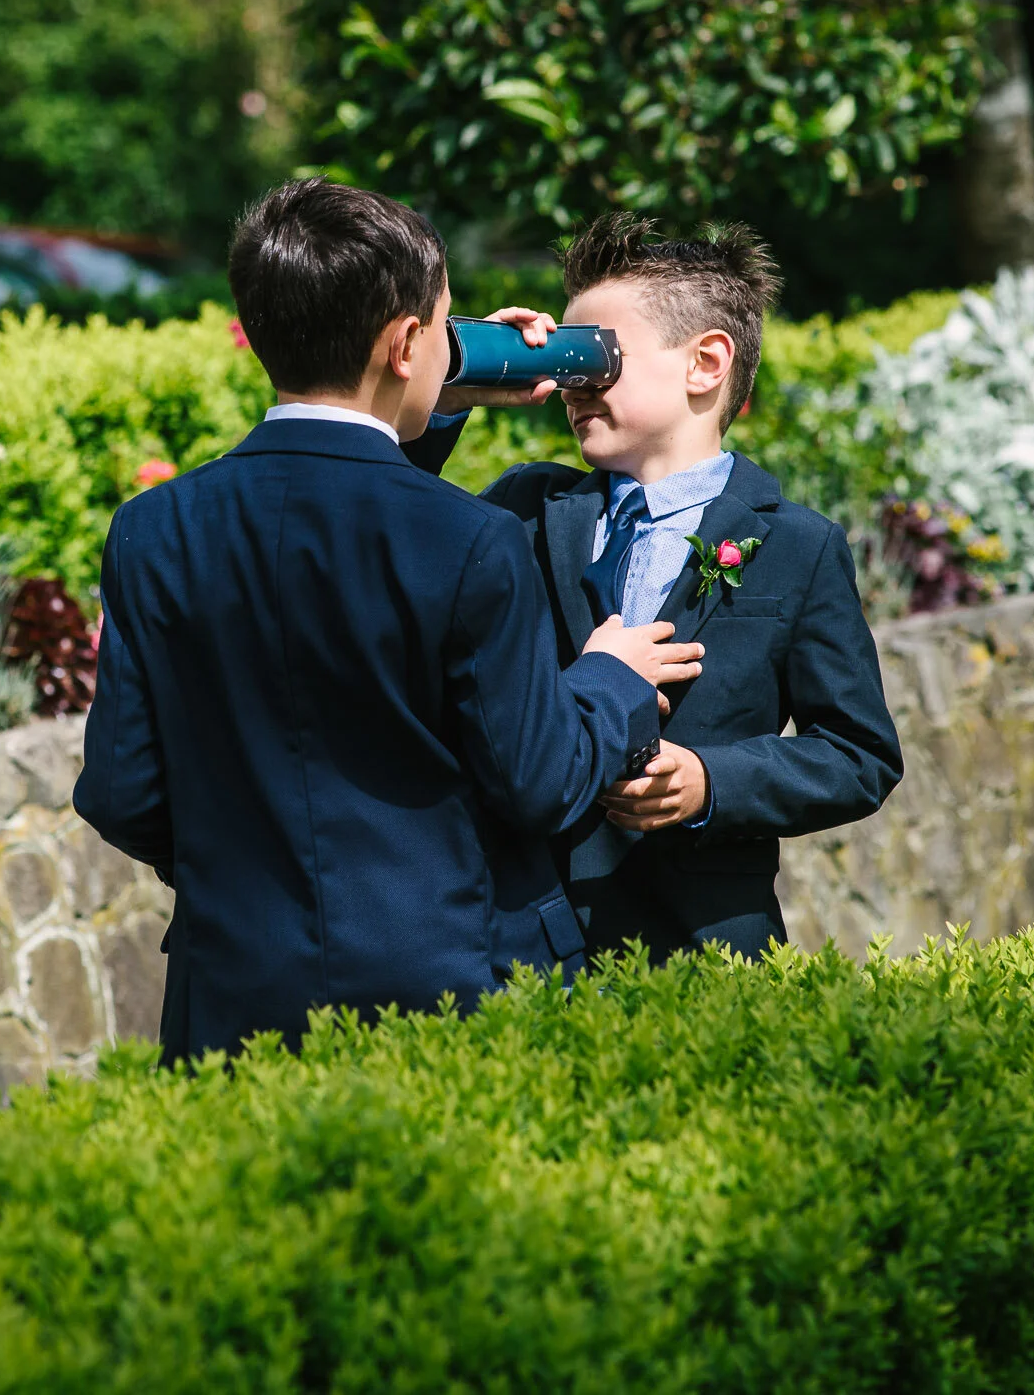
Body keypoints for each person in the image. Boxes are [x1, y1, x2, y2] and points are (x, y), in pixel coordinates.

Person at [74, 180, 694, 1062]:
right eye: (443, 326)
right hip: (451, 996)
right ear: (405, 343)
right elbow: (539, 780)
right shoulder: (472, 540)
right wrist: (610, 677)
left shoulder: (152, 529)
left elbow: (121, 793)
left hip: (234, 992)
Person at [406, 215, 901, 962]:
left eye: (599, 357)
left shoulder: (799, 546)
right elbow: (395, 540)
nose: (575, 383)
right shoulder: (528, 507)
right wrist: (450, 393)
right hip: (526, 938)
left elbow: (859, 754)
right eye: (571, 359)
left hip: (702, 944)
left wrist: (710, 782)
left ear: (706, 363)